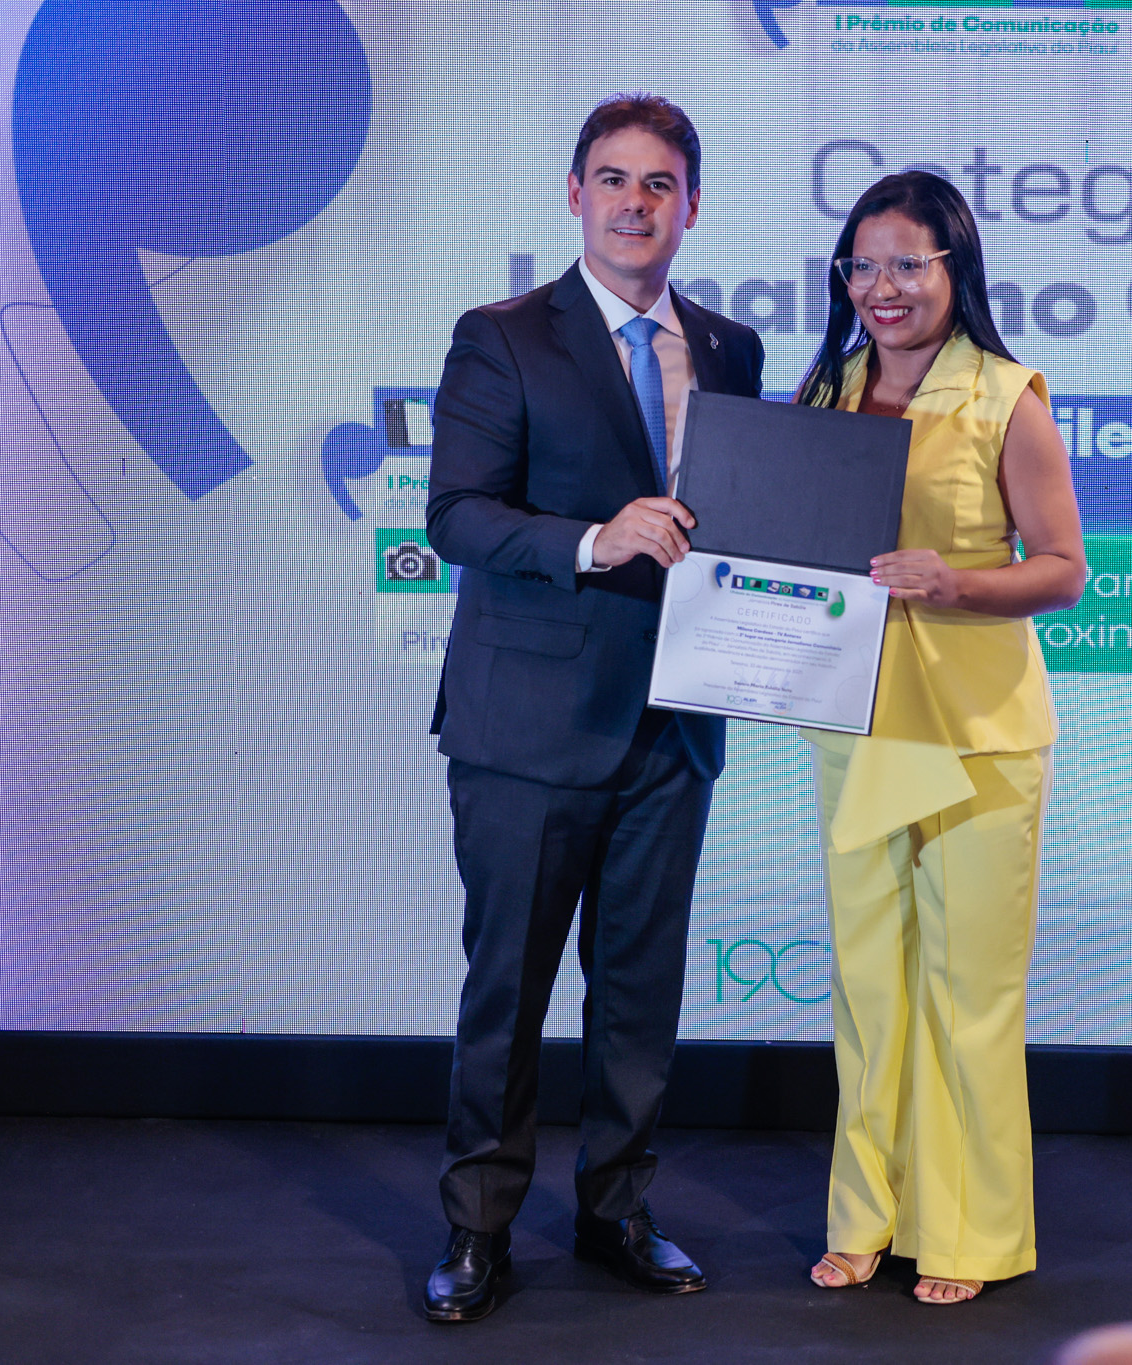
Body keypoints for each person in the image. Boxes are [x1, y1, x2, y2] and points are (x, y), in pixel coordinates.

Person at [418, 93, 764, 1323]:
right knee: (506, 991)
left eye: (658, 183)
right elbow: (456, 515)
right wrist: (590, 539)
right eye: (612, 179)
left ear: (690, 205)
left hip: (675, 723)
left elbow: (743, 526)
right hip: (527, 727)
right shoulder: (502, 337)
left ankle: (617, 1209)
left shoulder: (729, 350)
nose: (634, 203)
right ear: (575, 196)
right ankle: (476, 1228)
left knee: (639, 994)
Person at [796, 172, 1085, 1305]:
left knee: (970, 995)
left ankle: (970, 1231)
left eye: (907, 264)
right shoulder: (826, 391)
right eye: (862, 265)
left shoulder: (1009, 397)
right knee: (869, 986)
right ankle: (863, 1216)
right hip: (856, 721)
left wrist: (954, 582)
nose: (883, 287)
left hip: (977, 735)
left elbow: (1062, 570)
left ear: (954, 269)